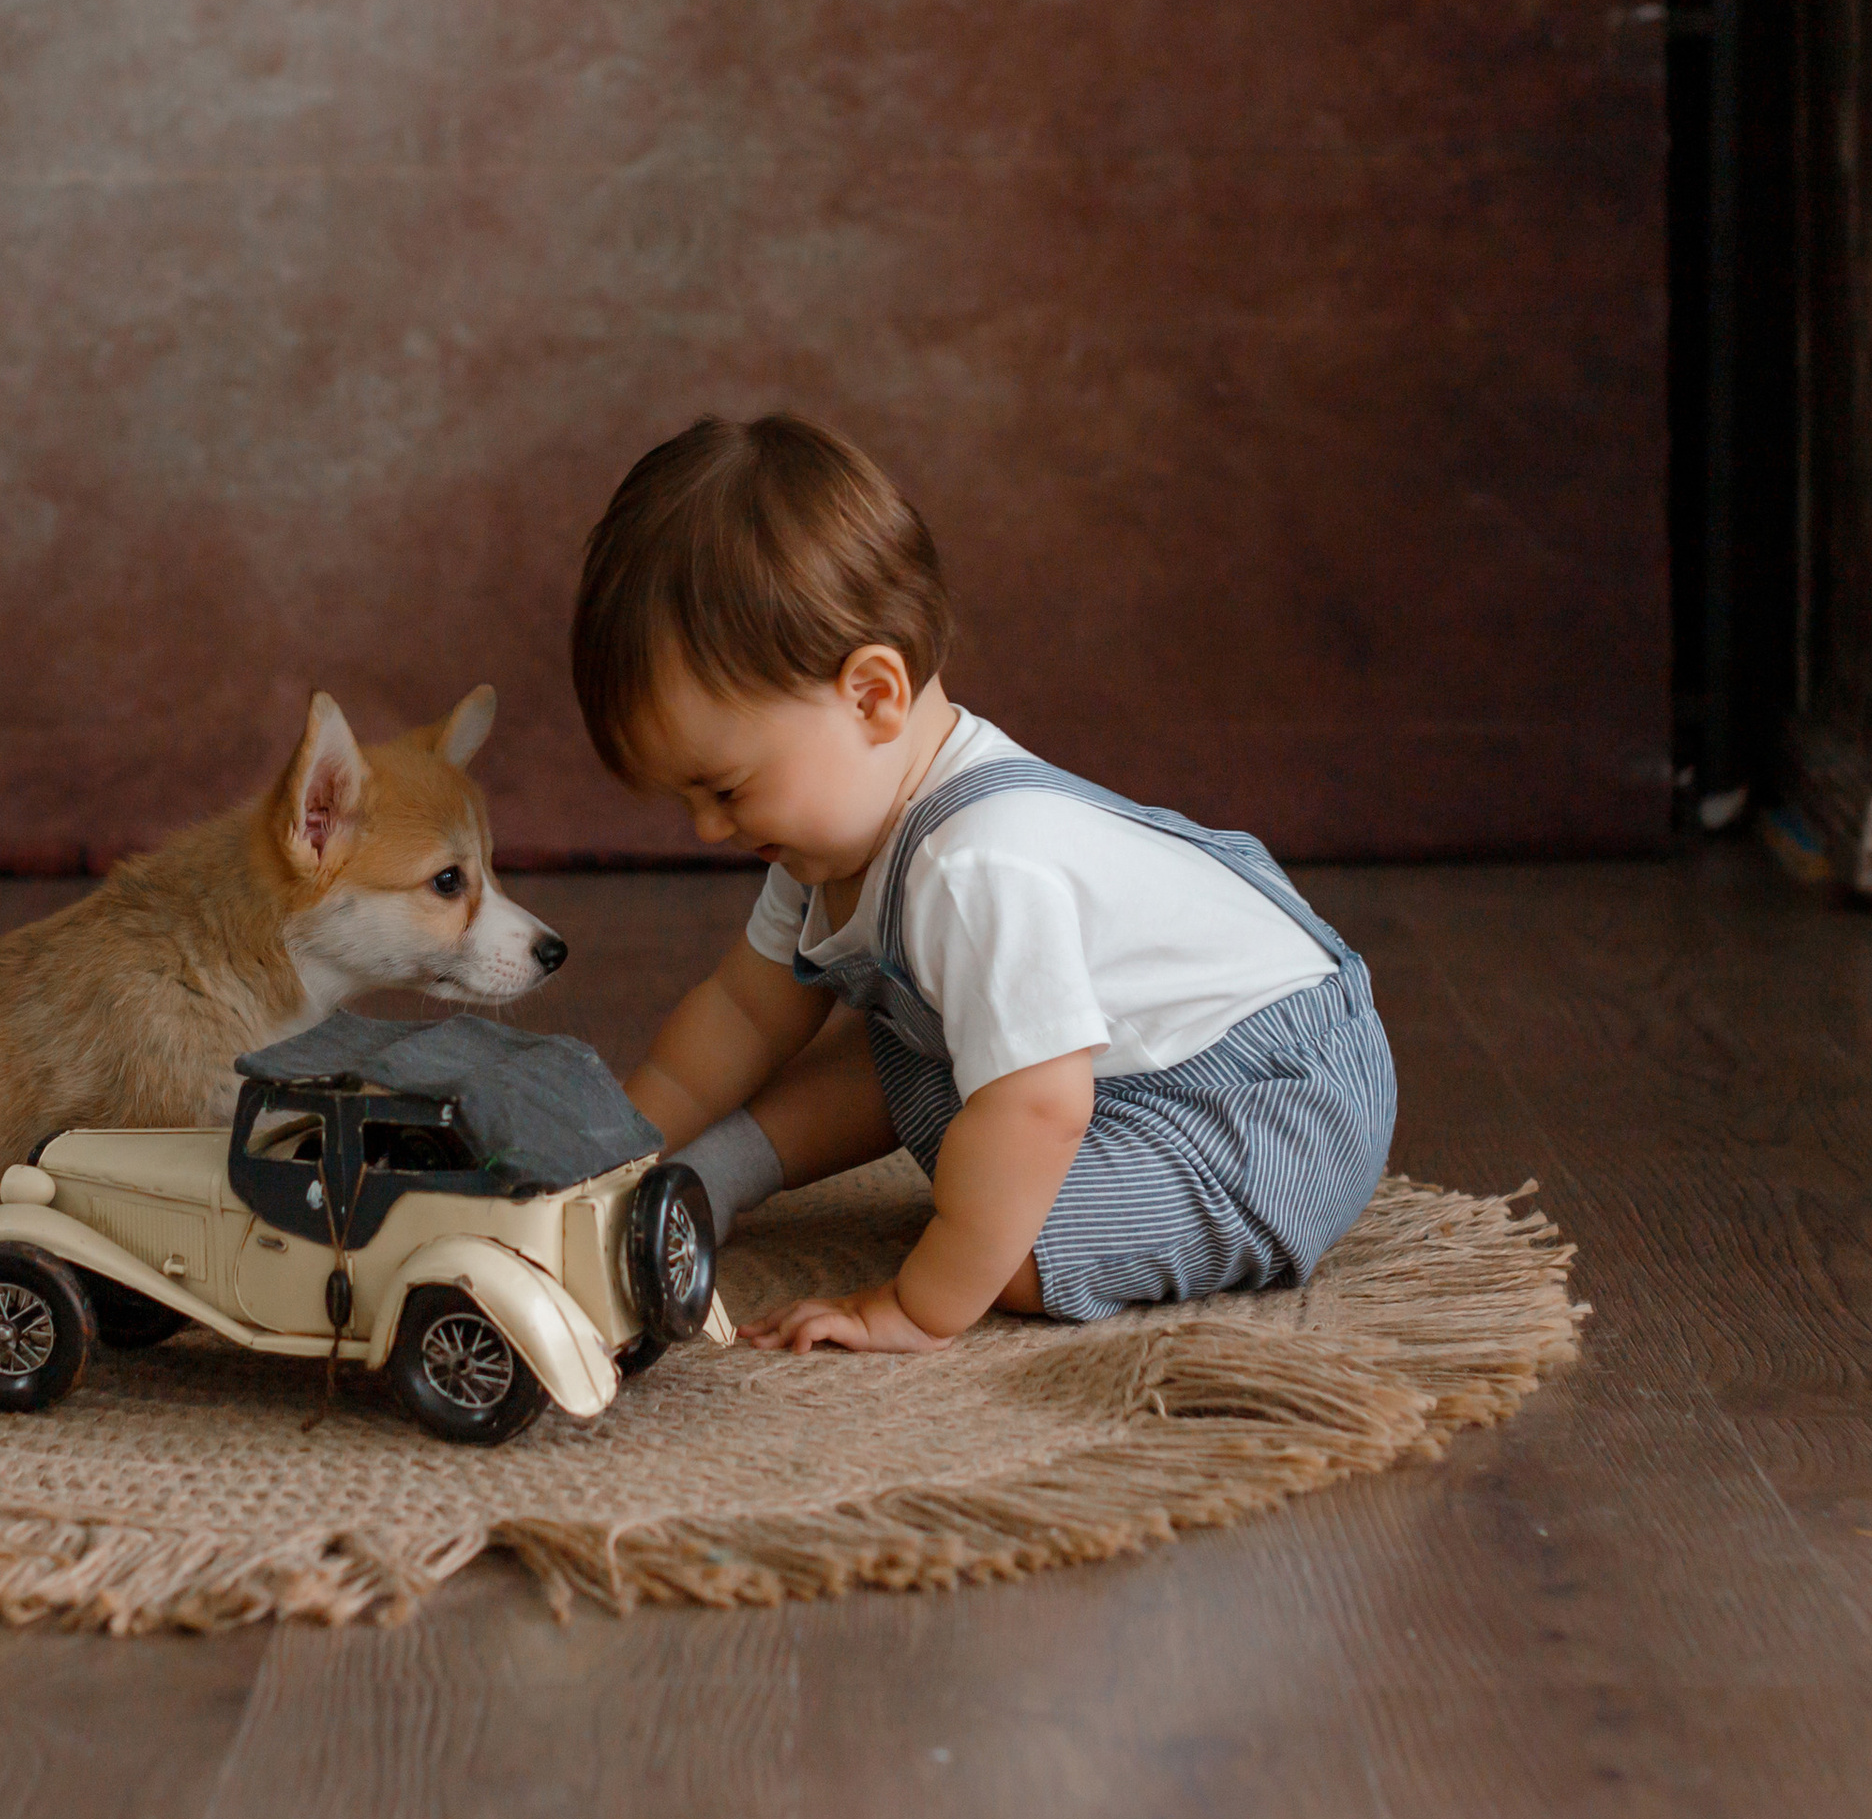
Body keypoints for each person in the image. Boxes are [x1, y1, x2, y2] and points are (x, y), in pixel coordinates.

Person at [570, 412, 1395, 1353]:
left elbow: (1041, 1106)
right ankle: (721, 1173)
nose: (709, 829)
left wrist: (918, 1303)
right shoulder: (829, 841)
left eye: (724, 789)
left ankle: (1008, 1249)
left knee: (1010, 1243)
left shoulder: (974, 868)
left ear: (872, 696)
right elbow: (742, 1016)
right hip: (1123, 1063)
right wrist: (617, 1151)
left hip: (1271, 1100)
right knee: (920, 1042)